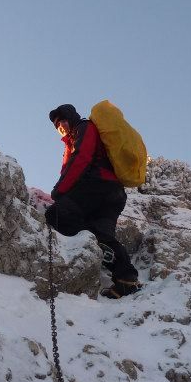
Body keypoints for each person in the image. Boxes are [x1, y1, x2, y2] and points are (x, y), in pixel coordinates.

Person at [44, 104, 140, 299]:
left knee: (56, 214)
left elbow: (81, 158)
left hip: (97, 186)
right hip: (114, 194)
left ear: (71, 118)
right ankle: (126, 279)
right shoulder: (74, 138)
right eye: (57, 126)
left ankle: (83, 242)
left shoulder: (84, 128)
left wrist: (60, 190)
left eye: (62, 122)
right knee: (102, 236)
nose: (60, 127)